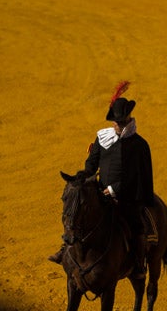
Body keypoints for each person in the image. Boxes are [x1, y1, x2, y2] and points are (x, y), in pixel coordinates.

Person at [49, 81, 155, 277]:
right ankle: (65, 248)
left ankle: (139, 265)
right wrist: (84, 179)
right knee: (76, 211)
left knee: (136, 224)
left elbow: (136, 176)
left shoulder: (139, 145)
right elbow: (92, 164)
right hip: (99, 191)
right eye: (116, 122)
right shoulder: (103, 137)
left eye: (122, 122)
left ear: (130, 119)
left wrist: (114, 189)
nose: (118, 125)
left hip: (127, 196)